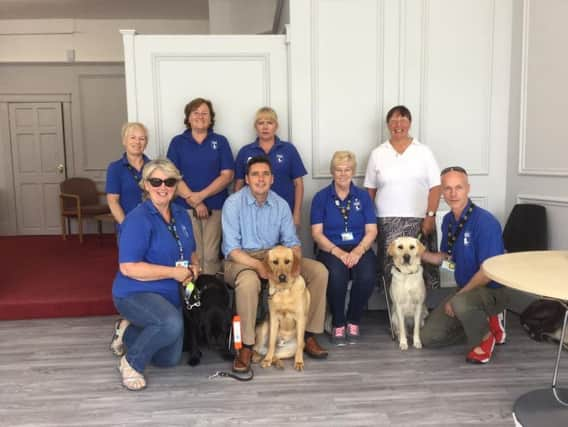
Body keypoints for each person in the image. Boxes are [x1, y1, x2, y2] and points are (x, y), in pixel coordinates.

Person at [222, 156, 329, 373]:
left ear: (272, 178)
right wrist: (260, 266)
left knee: (319, 271)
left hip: (276, 256)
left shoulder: (280, 203)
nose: (260, 179)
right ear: (247, 179)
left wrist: (294, 265)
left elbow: (292, 243)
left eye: (265, 174)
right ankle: (247, 345)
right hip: (242, 259)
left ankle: (307, 335)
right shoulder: (233, 203)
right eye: (255, 174)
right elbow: (232, 250)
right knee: (249, 282)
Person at [109, 158, 200, 390]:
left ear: (176, 185)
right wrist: (173, 272)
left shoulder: (181, 215)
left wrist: (194, 266)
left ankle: (127, 331)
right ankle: (131, 363)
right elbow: (128, 267)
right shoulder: (137, 219)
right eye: (156, 181)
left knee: (168, 359)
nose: (163, 187)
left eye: (169, 181)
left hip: (170, 293)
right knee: (170, 324)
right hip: (136, 291)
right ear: (146, 185)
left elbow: (191, 250)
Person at [420, 166, 507, 364]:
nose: (453, 193)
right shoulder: (448, 221)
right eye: (447, 188)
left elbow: (487, 272)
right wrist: (419, 254)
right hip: (467, 291)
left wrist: (458, 298)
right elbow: (447, 258)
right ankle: (483, 321)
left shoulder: (485, 222)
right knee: (429, 338)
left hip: (492, 291)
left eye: (458, 187)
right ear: (441, 191)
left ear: (468, 188)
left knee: (459, 303)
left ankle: (485, 340)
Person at [364, 105, 441, 290]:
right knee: (391, 268)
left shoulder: (424, 152)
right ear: (387, 125)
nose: (398, 125)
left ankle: (420, 314)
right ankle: (394, 314)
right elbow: (370, 191)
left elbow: (436, 187)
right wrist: (370, 222)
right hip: (386, 221)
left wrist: (430, 215)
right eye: (393, 121)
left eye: (403, 120)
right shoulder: (377, 153)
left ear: (410, 123)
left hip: (419, 219)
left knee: (419, 268)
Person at [310, 151, 377, 345]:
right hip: (331, 247)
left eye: (347, 170)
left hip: (359, 246)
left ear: (353, 172)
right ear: (332, 172)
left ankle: (353, 319)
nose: (343, 174)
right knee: (337, 276)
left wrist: (358, 251)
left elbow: (372, 231)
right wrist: (338, 252)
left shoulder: (363, 197)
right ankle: (338, 322)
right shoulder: (320, 198)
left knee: (367, 275)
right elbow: (316, 233)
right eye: (338, 170)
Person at [167, 97, 234, 275]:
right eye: (195, 113)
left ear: (211, 118)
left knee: (211, 255)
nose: (200, 116)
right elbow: (173, 176)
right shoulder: (177, 142)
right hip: (184, 207)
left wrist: (201, 196)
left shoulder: (220, 141)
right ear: (188, 118)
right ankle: (192, 297)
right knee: (192, 252)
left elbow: (227, 175)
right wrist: (194, 201)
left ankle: (211, 295)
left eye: (205, 113)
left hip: (216, 207)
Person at [234, 107, 307, 226]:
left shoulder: (289, 149)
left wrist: (297, 214)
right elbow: (238, 186)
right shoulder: (245, 152)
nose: (265, 127)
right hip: (253, 214)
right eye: (261, 123)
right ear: (255, 126)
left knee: (286, 245)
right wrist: (239, 213)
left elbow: (299, 184)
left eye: (269, 123)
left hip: (284, 213)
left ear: (276, 126)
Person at [105, 122, 151, 227]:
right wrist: (127, 226)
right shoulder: (115, 168)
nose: (137, 142)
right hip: (127, 224)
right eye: (133, 138)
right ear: (124, 141)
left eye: (142, 139)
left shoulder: (154, 167)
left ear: (146, 143)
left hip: (153, 225)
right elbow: (113, 201)